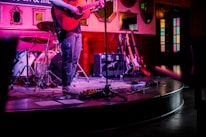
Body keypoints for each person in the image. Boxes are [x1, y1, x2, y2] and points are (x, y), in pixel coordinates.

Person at [49, 0, 104, 95]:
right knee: (68, 59)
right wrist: (71, 8)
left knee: (75, 59)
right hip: (66, 31)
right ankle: (66, 86)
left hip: (77, 30)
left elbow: (82, 13)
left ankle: (69, 83)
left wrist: (96, 9)